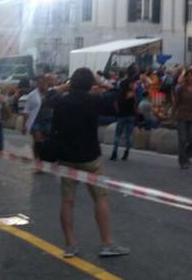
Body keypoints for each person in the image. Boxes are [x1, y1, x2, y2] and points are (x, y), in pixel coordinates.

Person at [51, 67, 129, 259]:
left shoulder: (61, 101)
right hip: (91, 157)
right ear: (90, 84)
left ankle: (70, 245)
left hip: (67, 157)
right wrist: (101, 82)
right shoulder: (94, 100)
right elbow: (117, 93)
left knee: (67, 201)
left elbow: (49, 95)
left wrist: (64, 86)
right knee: (101, 198)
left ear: (72, 83)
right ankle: (106, 243)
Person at [171, 72, 192, 169]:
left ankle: (186, 155)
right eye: (187, 76)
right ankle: (182, 161)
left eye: (191, 76)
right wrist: (172, 115)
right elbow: (176, 103)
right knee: (182, 140)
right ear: (185, 78)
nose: (189, 78)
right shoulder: (180, 89)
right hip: (182, 116)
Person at [110, 69, 138, 162]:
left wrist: (119, 112)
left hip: (121, 116)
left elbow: (115, 104)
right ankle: (126, 152)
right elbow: (135, 105)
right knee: (128, 135)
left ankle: (114, 153)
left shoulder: (119, 95)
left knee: (117, 135)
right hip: (130, 116)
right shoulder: (132, 95)